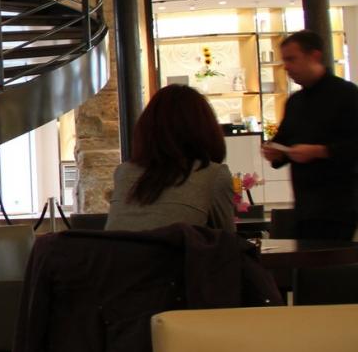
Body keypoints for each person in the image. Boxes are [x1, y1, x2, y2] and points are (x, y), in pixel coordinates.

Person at [261, 30, 358, 240]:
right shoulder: (295, 102)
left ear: (314, 56)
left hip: (340, 205)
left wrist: (320, 151)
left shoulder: (347, 94)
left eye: (291, 59)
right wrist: (275, 151)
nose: (286, 67)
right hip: (304, 205)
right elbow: (283, 140)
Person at [106, 84, 235, 233]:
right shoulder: (213, 175)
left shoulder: (123, 172)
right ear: (206, 128)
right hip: (178, 249)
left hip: (120, 249)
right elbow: (227, 239)